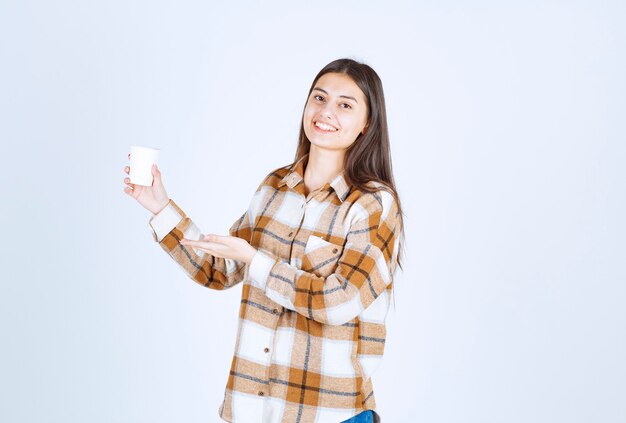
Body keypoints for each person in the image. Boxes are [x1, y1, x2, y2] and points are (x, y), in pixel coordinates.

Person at [123, 58, 405, 423]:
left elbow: (340, 302)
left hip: (328, 415)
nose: (326, 112)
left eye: (345, 105)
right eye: (319, 98)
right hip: (253, 411)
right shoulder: (274, 188)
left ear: (366, 124)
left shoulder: (373, 204)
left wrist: (257, 262)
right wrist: (159, 206)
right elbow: (219, 269)